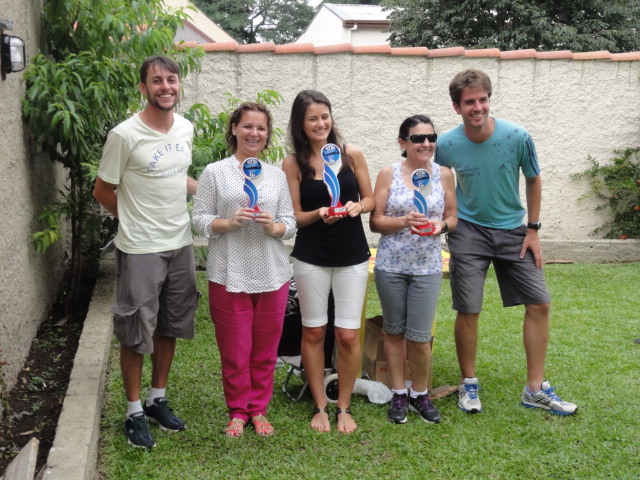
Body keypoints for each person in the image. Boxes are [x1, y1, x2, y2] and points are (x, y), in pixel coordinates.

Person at [436, 69, 577, 416]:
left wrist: (533, 230)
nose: (478, 107)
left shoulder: (517, 136)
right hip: (468, 231)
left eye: (483, 99)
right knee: (468, 308)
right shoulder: (446, 145)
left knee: (540, 303)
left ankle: (535, 389)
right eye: (469, 102)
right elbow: (438, 184)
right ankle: (468, 383)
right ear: (457, 107)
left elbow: (533, 179)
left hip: (514, 230)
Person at [93, 55, 199, 448]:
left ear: (178, 84)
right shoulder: (125, 135)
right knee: (137, 330)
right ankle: (134, 410)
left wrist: (214, 191)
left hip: (180, 243)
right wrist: (133, 219)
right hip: (140, 249)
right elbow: (103, 190)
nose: (165, 87)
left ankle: (157, 399)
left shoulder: (185, 128)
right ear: (143, 88)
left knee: (170, 325)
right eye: (156, 81)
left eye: (171, 79)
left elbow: (178, 176)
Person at [192, 102, 296, 437]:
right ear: (234, 128)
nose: (254, 133)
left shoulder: (276, 175)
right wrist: (228, 222)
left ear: (267, 135)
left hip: (272, 273)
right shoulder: (215, 172)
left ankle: (259, 409)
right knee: (235, 350)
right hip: (228, 271)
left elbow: (290, 222)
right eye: (248, 126)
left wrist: (274, 227)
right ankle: (238, 411)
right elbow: (199, 220)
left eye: (261, 128)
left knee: (265, 350)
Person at [283, 90, 373, 434]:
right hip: (311, 257)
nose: (321, 124)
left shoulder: (352, 154)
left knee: (348, 335)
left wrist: (358, 206)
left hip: (351, 255)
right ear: (300, 124)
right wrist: (319, 212)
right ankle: (320, 405)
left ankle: (344, 406)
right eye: (312, 119)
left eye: (325, 116)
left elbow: (369, 199)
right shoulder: (294, 163)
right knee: (314, 330)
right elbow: (294, 216)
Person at [370, 115, 457, 425]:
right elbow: (375, 221)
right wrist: (403, 221)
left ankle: (420, 393)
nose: (426, 143)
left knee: (419, 337)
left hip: (427, 267)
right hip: (391, 265)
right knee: (394, 333)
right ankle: (398, 392)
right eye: (418, 138)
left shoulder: (443, 174)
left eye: (431, 138)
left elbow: (453, 216)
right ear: (403, 143)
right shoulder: (388, 174)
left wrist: (441, 226)